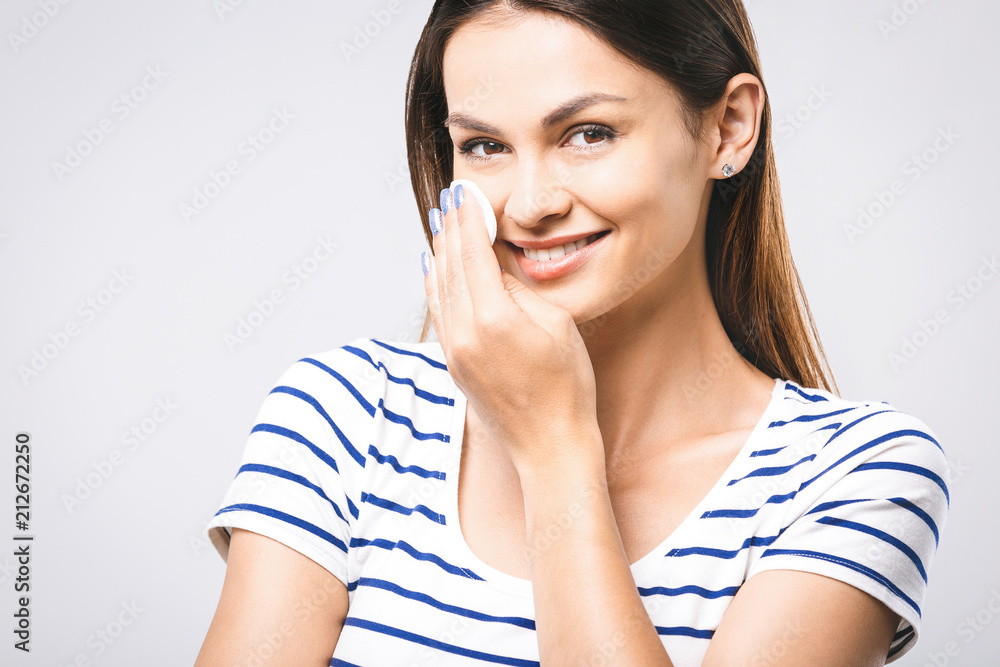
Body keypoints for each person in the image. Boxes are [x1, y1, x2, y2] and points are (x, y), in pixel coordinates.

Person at [195, 1, 951, 665]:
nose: (529, 203)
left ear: (729, 127)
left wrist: (554, 449)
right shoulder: (346, 416)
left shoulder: (853, 477)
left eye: (588, 133)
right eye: (485, 146)